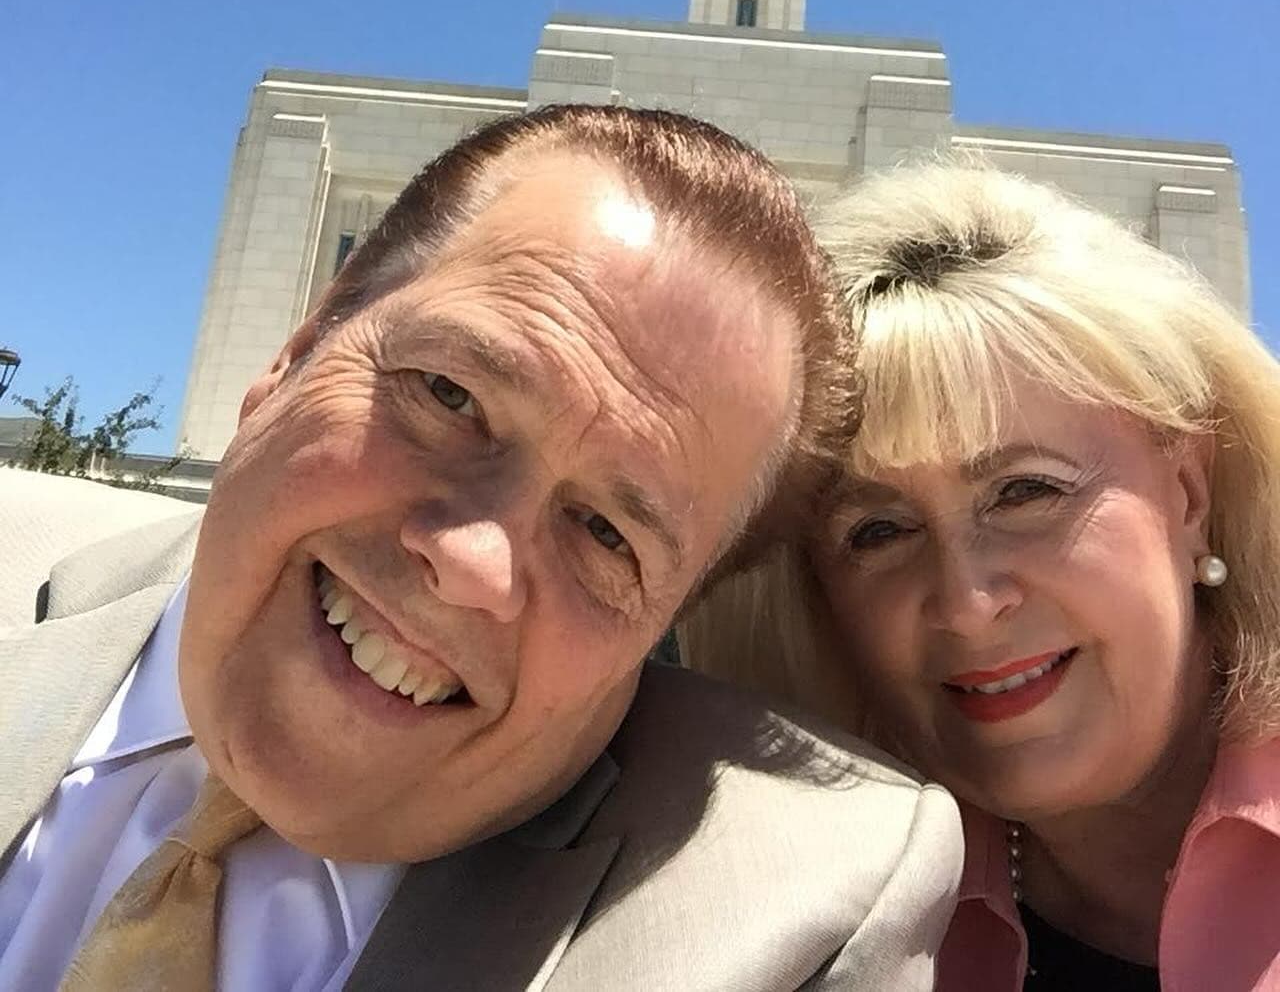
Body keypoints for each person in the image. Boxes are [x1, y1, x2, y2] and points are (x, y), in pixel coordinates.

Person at [0, 104, 961, 992]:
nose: (472, 563)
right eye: (449, 394)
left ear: (665, 627)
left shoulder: (798, 916)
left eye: (608, 533)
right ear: (295, 354)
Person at [683, 160, 1280, 990]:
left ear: (1189, 493)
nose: (966, 602)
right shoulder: (822, 919)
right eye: (879, 531)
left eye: (1025, 490)